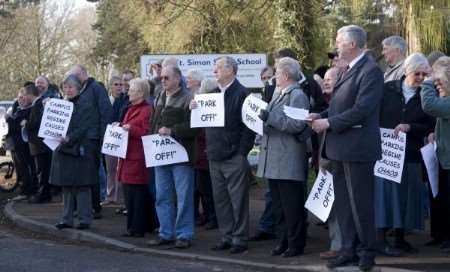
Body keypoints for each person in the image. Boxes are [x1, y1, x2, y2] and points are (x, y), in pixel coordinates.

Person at [310, 25, 384, 271]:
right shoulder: (346, 70)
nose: (336, 45)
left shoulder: (370, 71)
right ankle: (348, 249)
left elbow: (362, 109)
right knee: (343, 203)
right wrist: (318, 115)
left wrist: (328, 122)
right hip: (340, 147)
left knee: (360, 202)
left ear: (352, 44)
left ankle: (367, 252)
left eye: (339, 41)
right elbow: (338, 108)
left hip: (358, 148)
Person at [375, 53, 435, 256]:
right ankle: (380, 239)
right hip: (387, 153)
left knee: (406, 198)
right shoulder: (387, 89)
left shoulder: (427, 94)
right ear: (406, 71)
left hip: (411, 153)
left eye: (423, 74)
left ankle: (400, 238)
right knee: (385, 196)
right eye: (416, 73)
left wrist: (411, 127)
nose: (419, 77)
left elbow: (430, 125)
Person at [197, 56, 255, 254]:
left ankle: (239, 238)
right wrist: (194, 110)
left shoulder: (242, 94)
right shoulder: (211, 94)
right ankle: (226, 236)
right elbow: (202, 122)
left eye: (219, 67)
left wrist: (241, 153)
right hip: (214, 155)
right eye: (215, 68)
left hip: (233, 157)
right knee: (220, 199)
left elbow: (249, 128)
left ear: (231, 70)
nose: (215, 71)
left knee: (238, 199)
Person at [257, 57, 310, 257]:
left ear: (286, 75)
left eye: (277, 72)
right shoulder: (278, 93)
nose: (274, 76)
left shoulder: (297, 95)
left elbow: (297, 125)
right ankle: (283, 240)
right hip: (274, 158)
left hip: (288, 160)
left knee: (292, 205)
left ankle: (296, 244)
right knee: (279, 206)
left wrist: (269, 118)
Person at [147, 65, 197, 249]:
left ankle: (184, 234)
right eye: (161, 78)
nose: (163, 80)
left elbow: (194, 127)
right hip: (161, 154)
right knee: (162, 195)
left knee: (183, 197)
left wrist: (172, 131)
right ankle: (166, 232)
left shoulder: (188, 97)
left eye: (166, 77)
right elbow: (154, 122)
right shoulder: (159, 96)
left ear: (178, 78)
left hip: (182, 155)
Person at [51, 75, 98, 230]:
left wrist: (69, 138)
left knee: (82, 186)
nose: (68, 90)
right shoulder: (61, 104)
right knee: (66, 186)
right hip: (64, 149)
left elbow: (84, 127)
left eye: (71, 87)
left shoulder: (86, 104)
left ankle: (85, 219)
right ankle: (66, 219)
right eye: (66, 87)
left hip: (80, 150)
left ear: (78, 88)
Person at [68, 64, 113, 219]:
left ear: (83, 73)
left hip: (92, 138)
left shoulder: (96, 88)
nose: (73, 79)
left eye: (75, 75)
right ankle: (80, 208)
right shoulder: (78, 90)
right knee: (78, 175)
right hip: (79, 139)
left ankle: (95, 207)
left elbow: (105, 112)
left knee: (92, 174)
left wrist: (102, 138)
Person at [117, 78, 157, 237]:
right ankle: (140, 225)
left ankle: (137, 228)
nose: (128, 92)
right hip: (129, 155)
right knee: (131, 193)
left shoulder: (147, 110)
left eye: (131, 89)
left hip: (138, 156)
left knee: (137, 194)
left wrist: (130, 129)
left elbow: (147, 132)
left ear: (140, 93)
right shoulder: (130, 109)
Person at [421, 56, 450, 253]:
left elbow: (429, 105)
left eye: (439, 80)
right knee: (443, 200)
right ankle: (443, 236)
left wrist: (427, 81)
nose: (436, 84)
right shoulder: (446, 99)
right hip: (443, 158)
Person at [23, 84, 53, 204]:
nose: (25, 97)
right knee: (42, 170)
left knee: (42, 171)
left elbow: (37, 123)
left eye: (25, 95)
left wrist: (26, 123)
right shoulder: (38, 104)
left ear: (30, 94)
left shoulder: (38, 105)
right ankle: (45, 194)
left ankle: (42, 195)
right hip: (40, 145)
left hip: (39, 145)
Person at [6, 88, 36, 200]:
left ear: (28, 98)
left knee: (26, 168)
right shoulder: (17, 110)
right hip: (15, 145)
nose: (21, 100)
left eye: (23, 97)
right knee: (20, 168)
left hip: (24, 145)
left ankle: (27, 190)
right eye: (19, 97)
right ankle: (24, 189)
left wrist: (9, 120)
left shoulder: (29, 111)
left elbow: (18, 126)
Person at [103, 76, 123, 205]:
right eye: (116, 84)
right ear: (111, 86)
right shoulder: (105, 101)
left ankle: (120, 198)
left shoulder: (125, 100)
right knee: (110, 169)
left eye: (120, 84)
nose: (119, 87)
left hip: (121, 138)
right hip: (108, 138)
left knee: (119, 169)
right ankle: (110, 196)